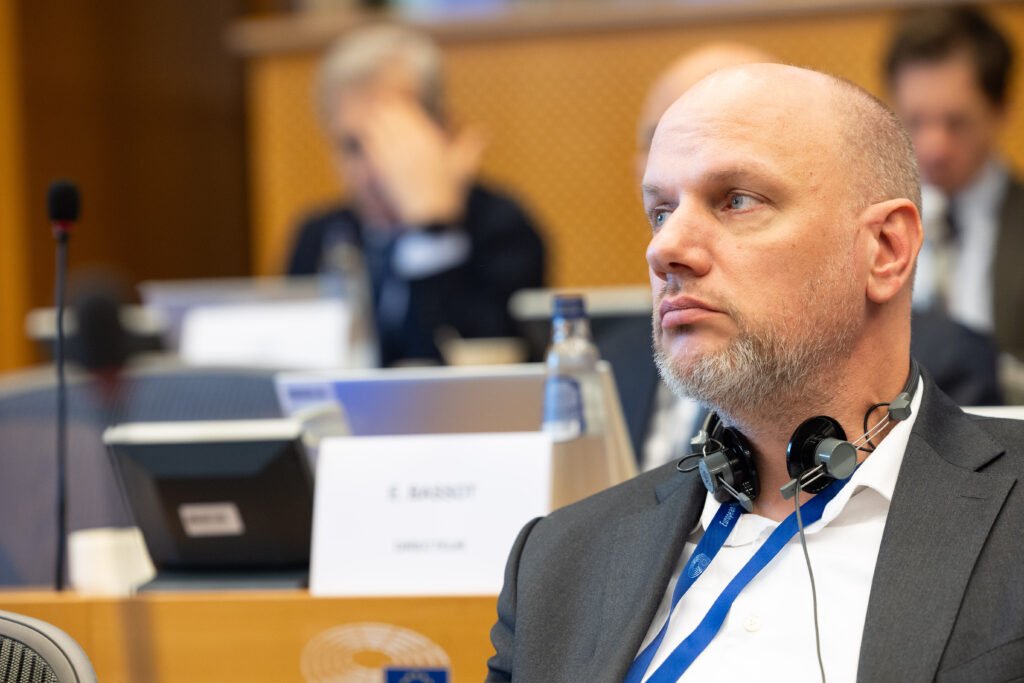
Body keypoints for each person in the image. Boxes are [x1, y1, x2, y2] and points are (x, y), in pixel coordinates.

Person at [487, 64, 1024, 681]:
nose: (664, 249)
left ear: (886, 249)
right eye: (661, 212)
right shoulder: (558, 562)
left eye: (736, 200)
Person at [287, 25, 545, 366]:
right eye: (352, 147)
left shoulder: (501, 226)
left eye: (389, 140)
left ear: (442, 130)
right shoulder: (318, 235)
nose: (370, 171)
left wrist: (433, 232)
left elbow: (488, 363)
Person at [885, 5, 1024, 366]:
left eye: (957, 122)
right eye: (915, 121)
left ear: (1000, 111)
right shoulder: (869, 225)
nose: (934, 148)